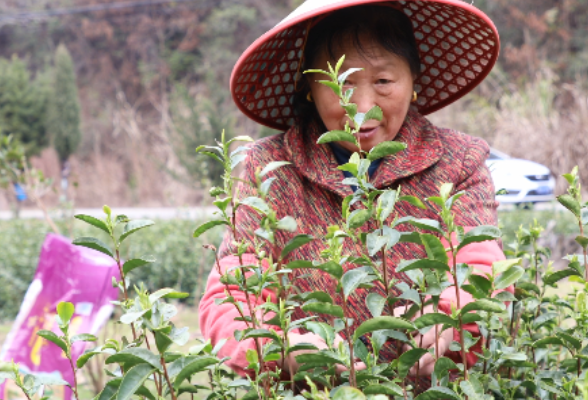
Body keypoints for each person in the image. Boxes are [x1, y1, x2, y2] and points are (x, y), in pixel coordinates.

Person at [199, 0, 508, 382]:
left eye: (383, 82)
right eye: (340, 82)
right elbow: (231, 294)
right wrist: (284, 349)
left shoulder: (459, 163)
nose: (362, 108)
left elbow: (481, 268)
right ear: (309, 87)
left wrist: (455, 321)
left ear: (414, 81)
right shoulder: (270, 170)